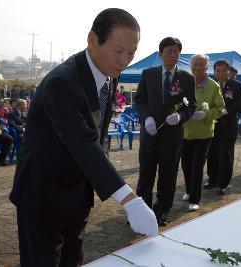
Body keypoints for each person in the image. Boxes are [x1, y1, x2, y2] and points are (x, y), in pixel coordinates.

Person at [9, 9, 158, 267]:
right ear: (93, 40)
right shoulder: (62, 82)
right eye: (119, 50)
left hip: (78, 192)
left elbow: (97, 135)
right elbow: (82, 141)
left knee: (72, 259)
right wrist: (129, 199)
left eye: (132, 52)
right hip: (43, 193)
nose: (125, 60)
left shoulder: (107, 75)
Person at [135, 37, 196, 225]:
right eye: (169, 50)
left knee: (168, 176)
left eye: (177, 51)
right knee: (146, 174)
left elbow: (191, 105)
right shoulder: (148, 74)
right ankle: (141, 212)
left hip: (172, 136)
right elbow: (139, 100)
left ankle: (161, 211)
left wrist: (181, 116)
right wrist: (147, 118)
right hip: (150, 134)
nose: (173, 54)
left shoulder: (186, 78)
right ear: (161, 53)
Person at [181, 54, 224, 211]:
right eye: (194, 64)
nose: (197, 67)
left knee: (197, 166)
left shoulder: (213, 86)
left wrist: (206, 114)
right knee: (185, 163)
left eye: (200, 64)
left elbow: (220, 108)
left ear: (207, 66)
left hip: (204, 133)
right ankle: (188, 189)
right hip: (184, 131)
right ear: (190, 66)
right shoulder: (184, 81)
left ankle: (195, 198)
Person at [205, 60, 241, 193]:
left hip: (228, 125)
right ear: (214, 71)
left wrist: (225, 111)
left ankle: (223, 183)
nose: (220, 73)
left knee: (225, 154)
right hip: (211, 125)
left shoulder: (236, 85)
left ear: (228, 71)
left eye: (223, 70)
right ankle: (212, 180)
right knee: (212, 153)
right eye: (217, 70)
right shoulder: (210, 84)